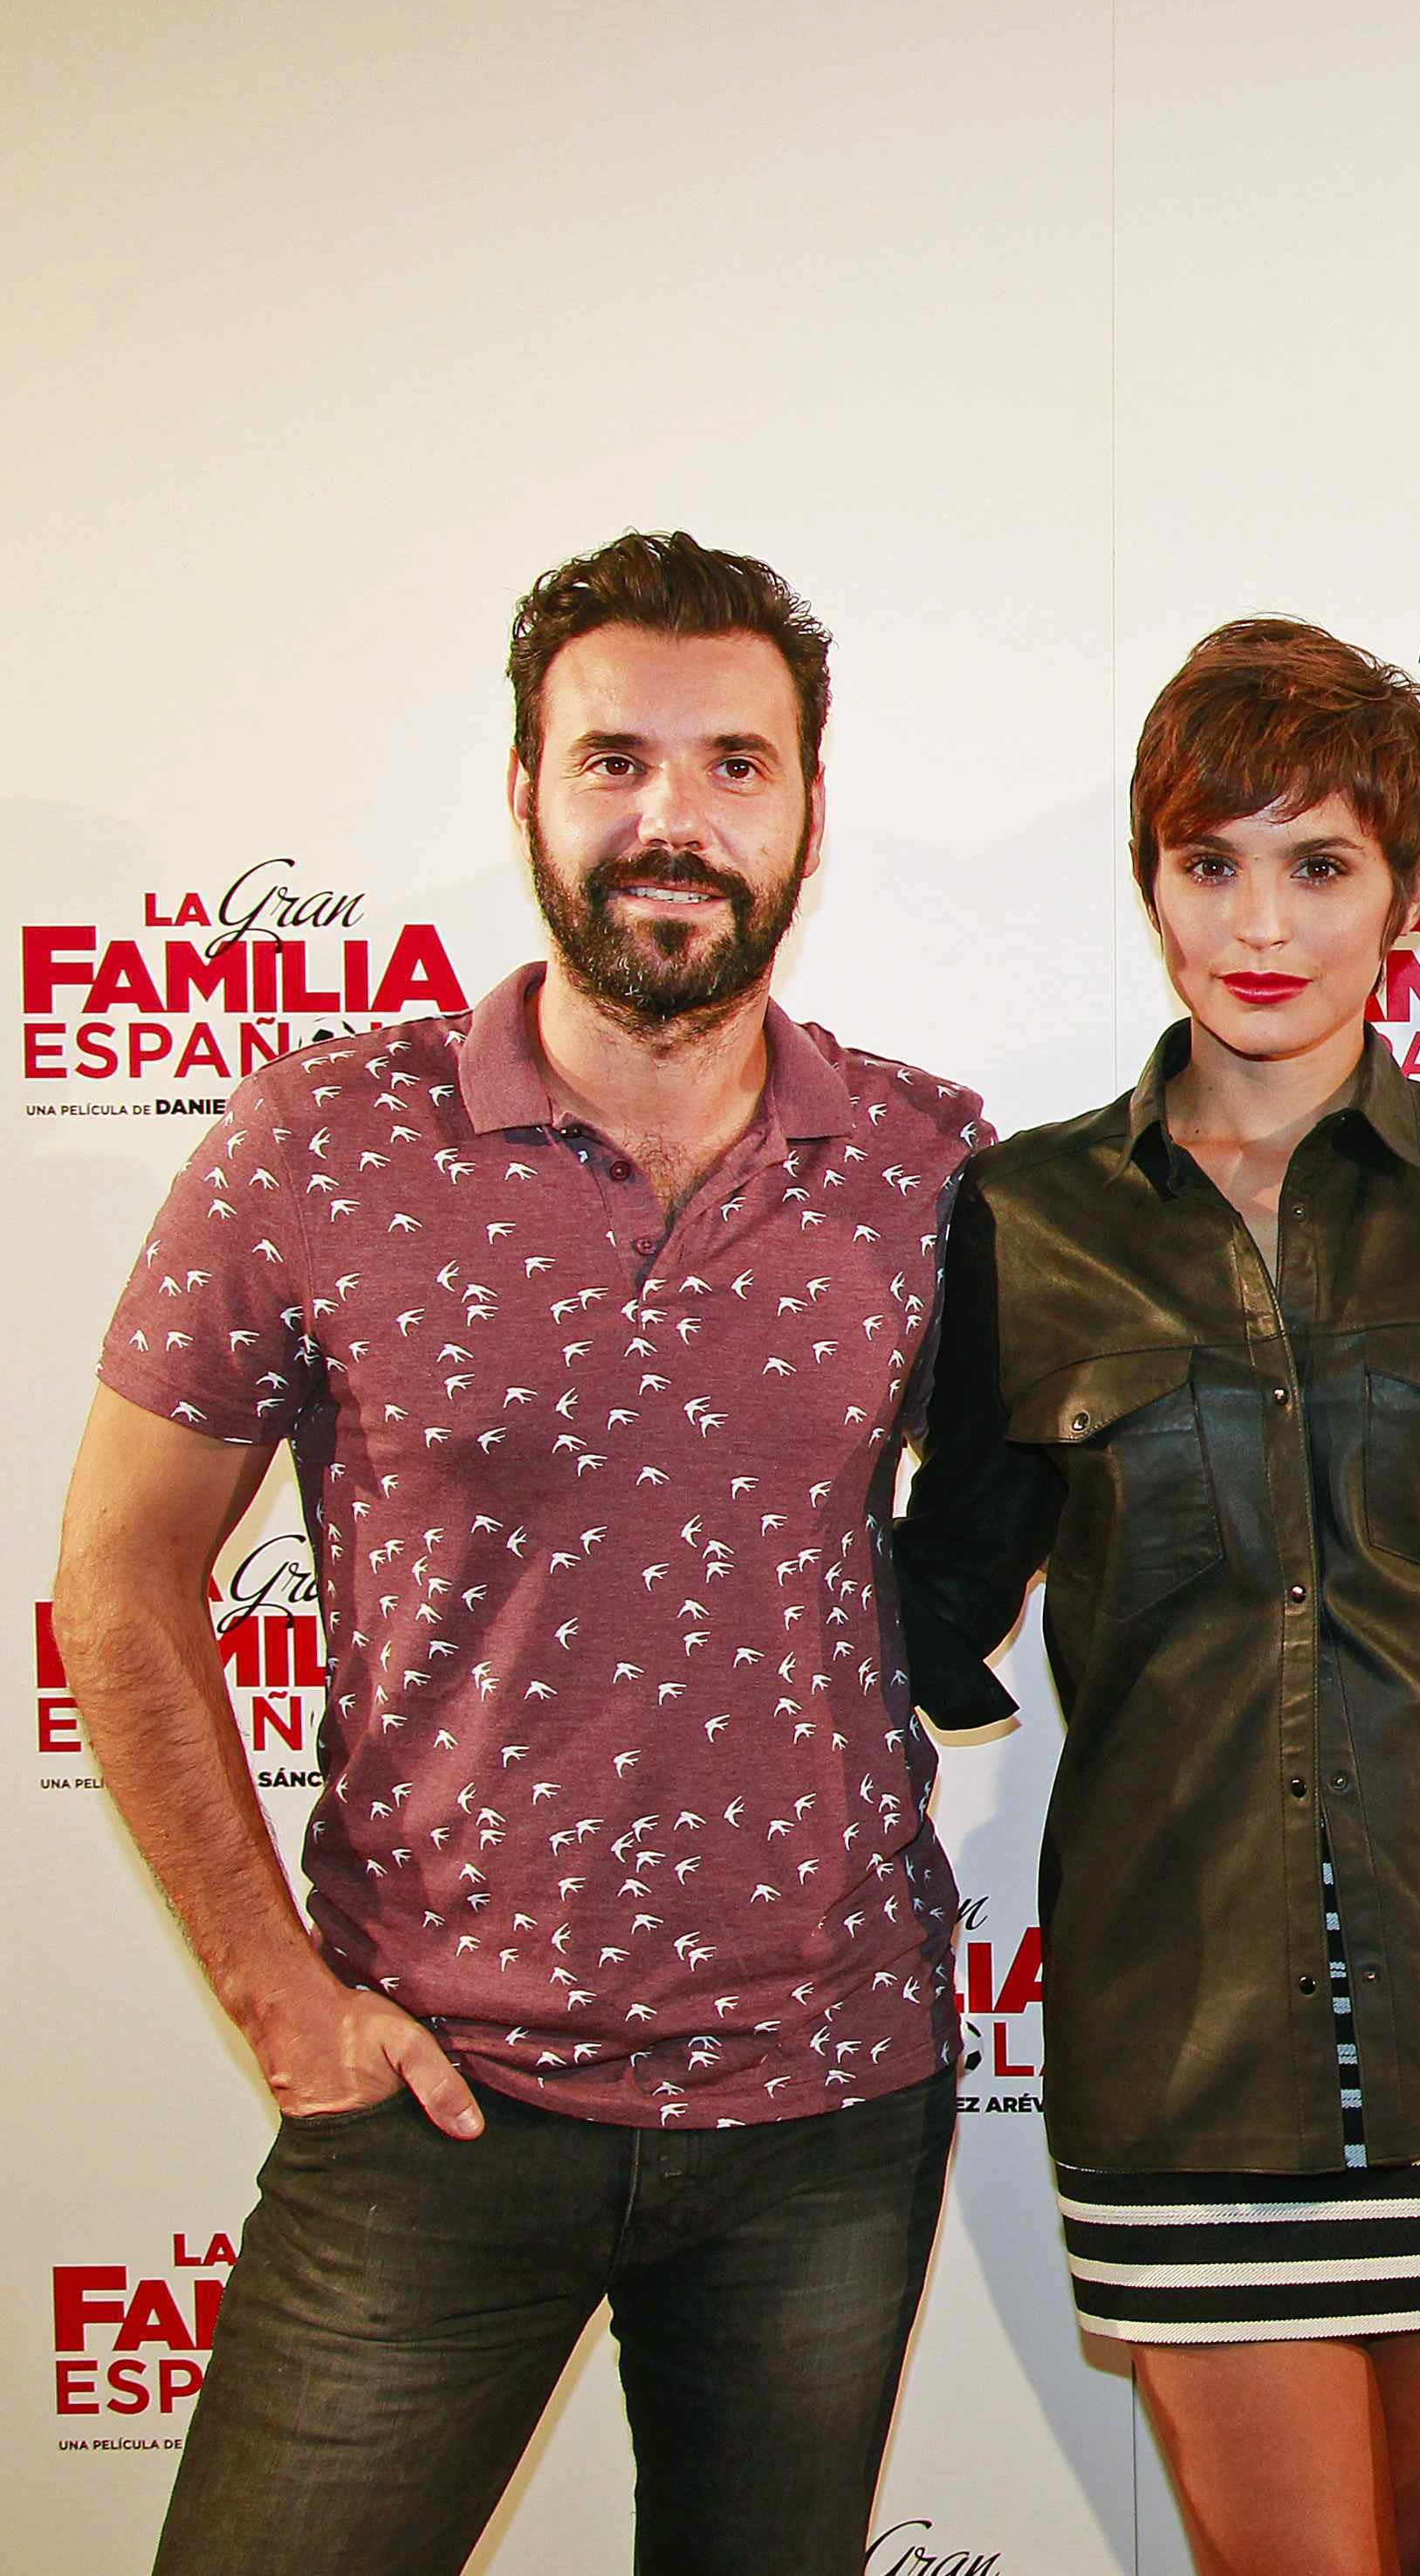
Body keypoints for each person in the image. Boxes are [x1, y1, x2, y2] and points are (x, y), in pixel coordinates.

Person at [53, 533, 982, 2574]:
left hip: (827, 2111)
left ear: (810, 806)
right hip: (432, 2100)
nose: (675, 817)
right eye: (616, 759)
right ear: (524, 790)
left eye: (735, 764)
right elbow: (117, 1574)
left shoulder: (931, 1166)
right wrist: (280, 2002)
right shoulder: (322, 1140)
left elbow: (1128, 1487)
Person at [888, 618, 1420, 2576]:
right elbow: (932, 1593)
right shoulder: (1025, 1217)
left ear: (1407, 895)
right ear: (1152, 883)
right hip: (1181, 2047)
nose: (1261, 923)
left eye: (1321, 863)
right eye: (1212, 861)